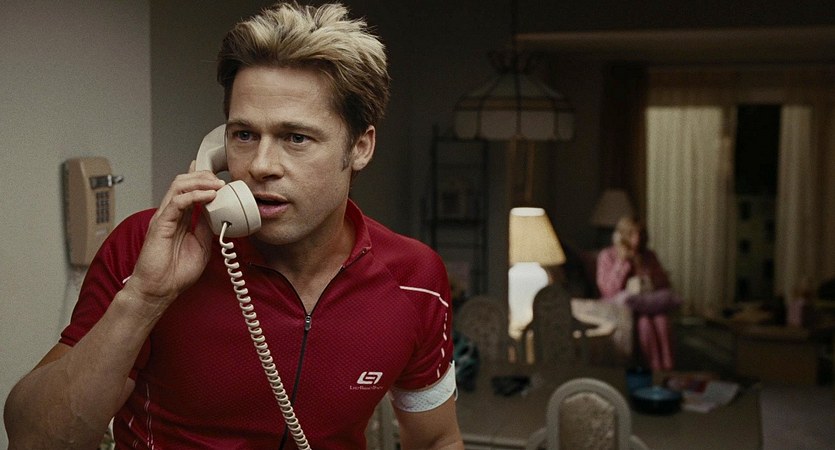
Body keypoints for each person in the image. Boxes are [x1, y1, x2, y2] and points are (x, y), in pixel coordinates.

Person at [4, 3, 464, 449]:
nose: (260, 165)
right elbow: (33, 440)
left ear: (360, 147)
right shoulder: (149, 246)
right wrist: (145, 298)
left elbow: (438, 439)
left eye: (295, 138)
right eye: (244, 135)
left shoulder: (415, 279)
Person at [596, 216, 680, 372]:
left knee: (662, 321)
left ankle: (668, 368)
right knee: (644, 325)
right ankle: (654, 369)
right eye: (632, 234)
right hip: (625, 308)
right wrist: (623, 262)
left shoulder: (649, 256)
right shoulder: (607, 256)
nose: (637, 239)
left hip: (649, 303)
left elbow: (663, 284)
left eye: (640, 233)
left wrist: (646, 273)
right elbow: (608, 289)